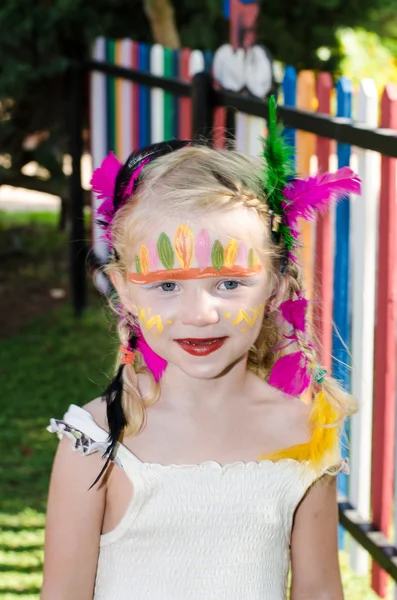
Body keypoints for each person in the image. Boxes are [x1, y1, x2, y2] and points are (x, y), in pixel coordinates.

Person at [42, 98, 360, 600]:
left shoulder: (305, 428)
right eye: (167, 286)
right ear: (124, 291)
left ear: (276, 287)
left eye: (230, 283)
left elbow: (320, 590)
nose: (200, 313)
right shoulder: (96, 442)